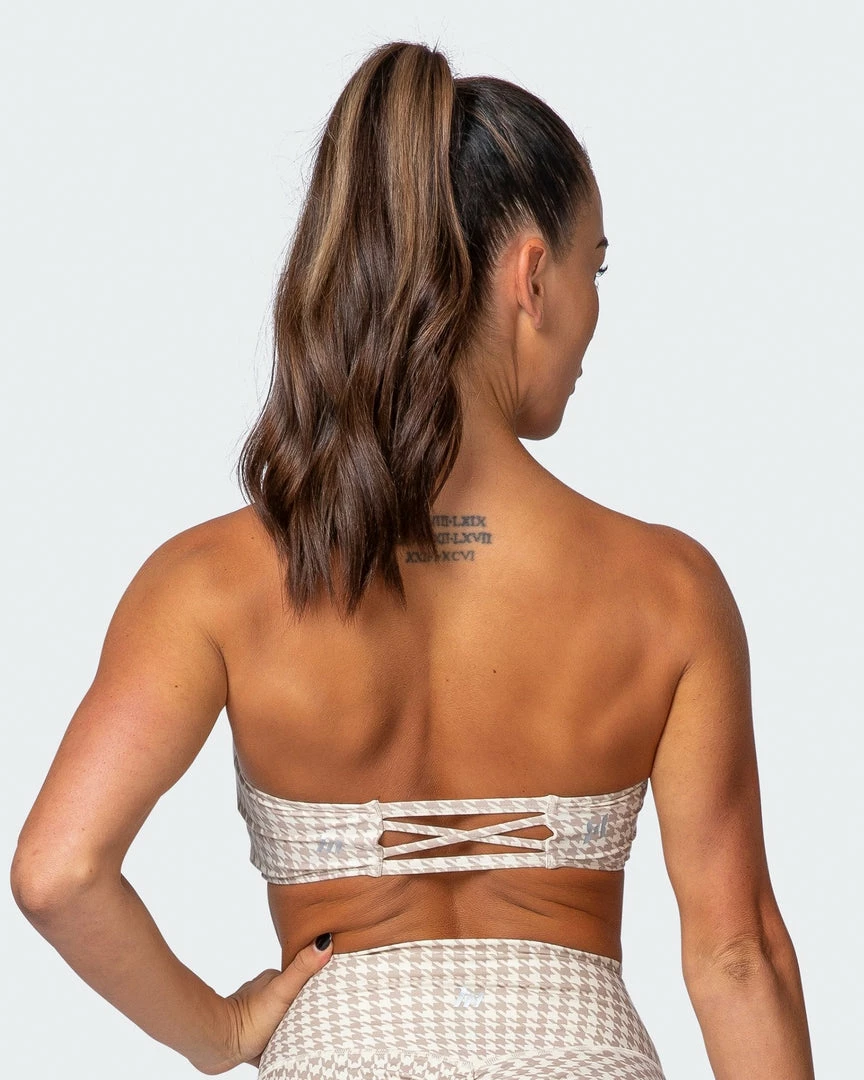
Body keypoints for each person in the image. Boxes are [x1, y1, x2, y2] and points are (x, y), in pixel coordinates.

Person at [10, 39, 814, 1080]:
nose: (593, 311)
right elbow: (739, 957)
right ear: (534, 277)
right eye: (596, 266)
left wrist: (221, 1032)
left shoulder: (210, 582)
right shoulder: (667, 589)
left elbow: (59, 872)